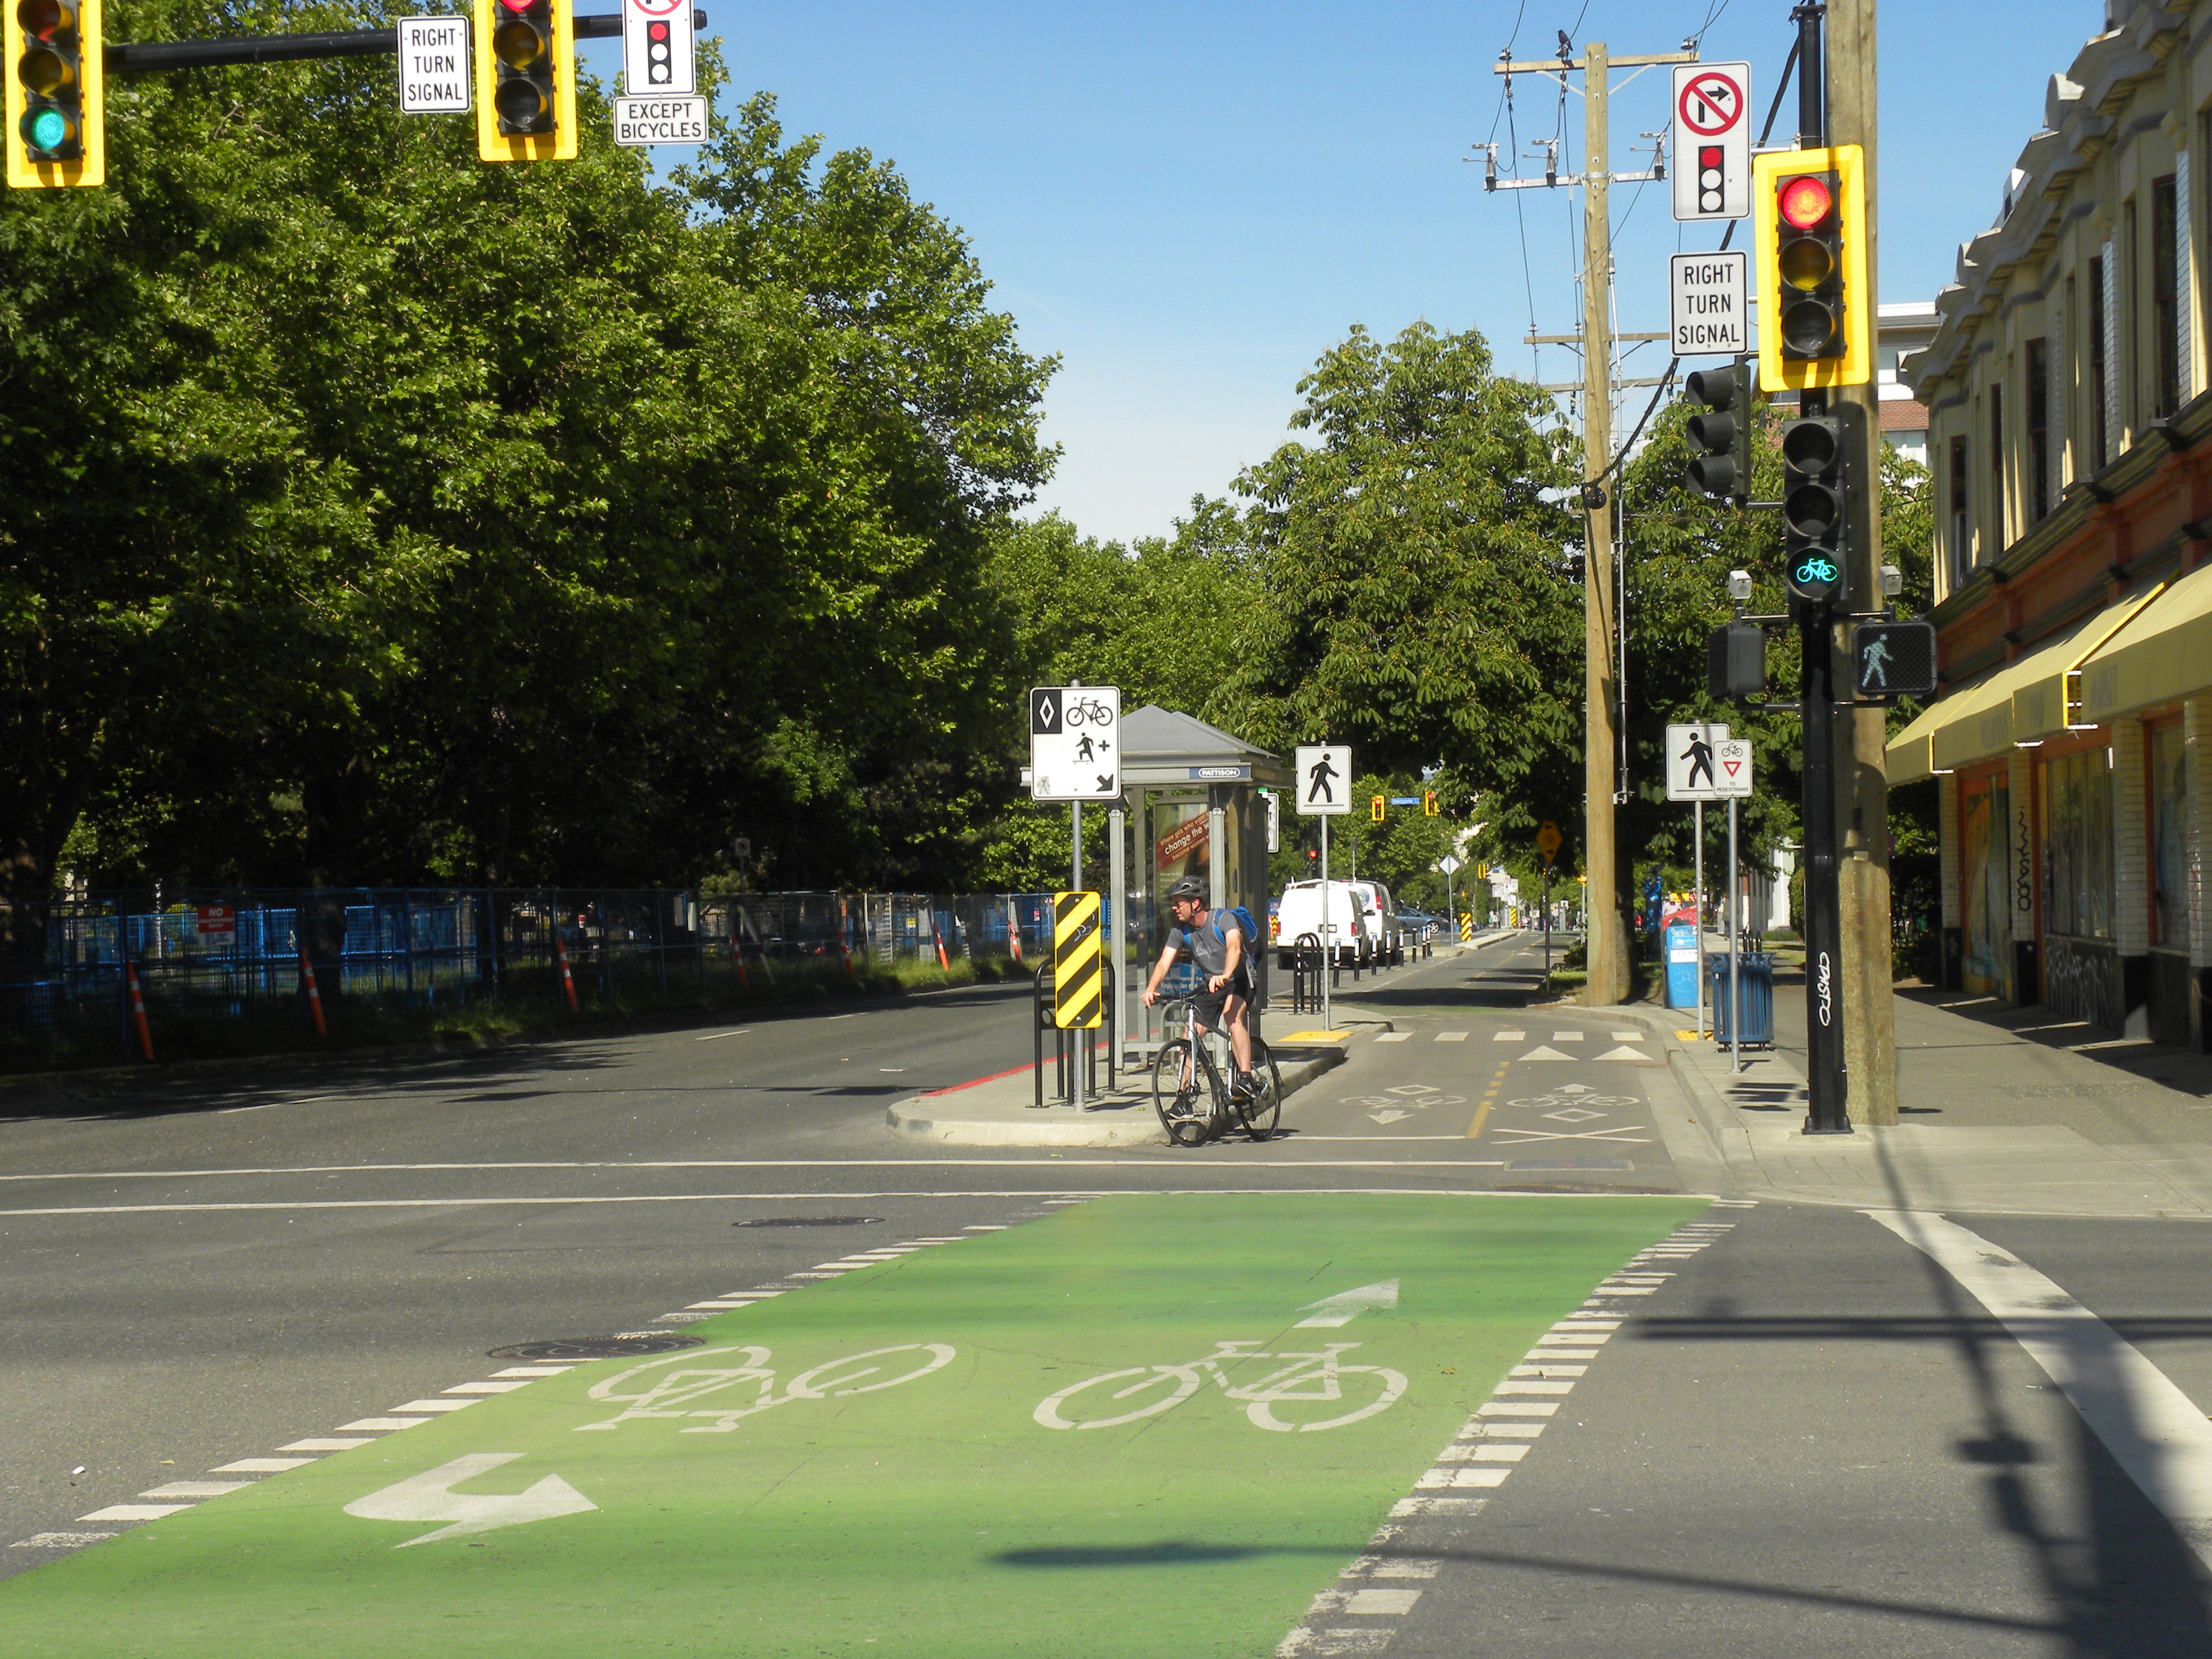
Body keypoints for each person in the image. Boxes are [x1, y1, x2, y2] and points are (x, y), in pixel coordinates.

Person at [1141, 875, 1256, 1094]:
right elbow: (1164, 962)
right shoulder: (1180, 931)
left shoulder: (1223, 919)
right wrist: (1151, 988)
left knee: (1232, 1018)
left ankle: (1246, 1077)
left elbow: (1234, 948)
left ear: (1195, 904)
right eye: (1173, 903)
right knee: (1189, 1037)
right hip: (1211, 985)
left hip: (1240, 979)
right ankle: (1184, 1095)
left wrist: (1225, 974)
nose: (1174, 908)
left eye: (1178, 903)